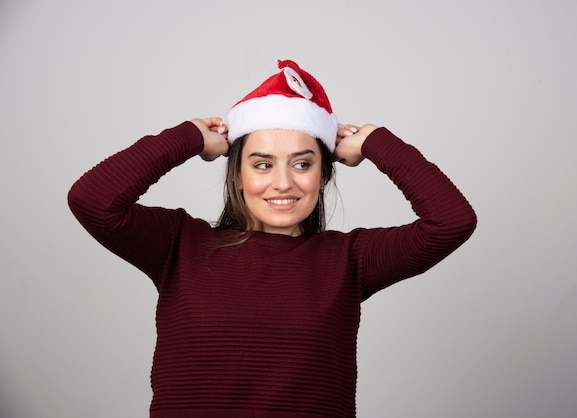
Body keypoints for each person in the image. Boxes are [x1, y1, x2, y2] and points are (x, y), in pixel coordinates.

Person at [68, 59, 477, 418]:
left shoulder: (349, 259)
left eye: (302, 163)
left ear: (325, 173)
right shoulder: (179, 244)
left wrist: (376, 143)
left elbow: (451, 221)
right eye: (262, 164)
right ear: (238, 174)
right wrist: (187, 137)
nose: (283, 183)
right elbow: (92, 200)